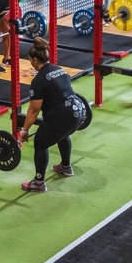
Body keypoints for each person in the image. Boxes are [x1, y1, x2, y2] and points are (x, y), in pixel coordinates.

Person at [20, 37, 87, 192]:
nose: (30, 63)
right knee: (62, 134)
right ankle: (65, 166)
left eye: (30, 60)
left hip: (63, 115)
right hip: (79, 110)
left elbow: (33, 110)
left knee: (40, 143)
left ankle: (39, 183)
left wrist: (24, 131)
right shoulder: (59, 69)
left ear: (35, 59)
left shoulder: (39, 80)